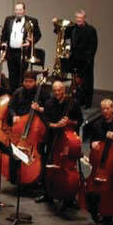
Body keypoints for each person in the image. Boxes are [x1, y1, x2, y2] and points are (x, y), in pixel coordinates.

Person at [83, 98, 113, 225]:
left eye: (107, 108)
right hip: (100, 166)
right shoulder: (97, 124)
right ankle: (99, 214)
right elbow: (92, 140)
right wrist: (93, 144)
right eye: (102, 109)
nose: (105, 111)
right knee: (91, 193)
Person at [39, 80, 83, 208]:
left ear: (64, 90)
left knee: (67, 167)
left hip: (67, 141)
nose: (57, 93)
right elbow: (45, 119)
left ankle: (69, 197)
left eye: (59, 90)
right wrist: (54, 125)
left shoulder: (73, 103)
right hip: (53, 139)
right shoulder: (49, 103)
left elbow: (79, 120)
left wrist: (70, 122)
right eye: (55, 90)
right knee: (49, 165)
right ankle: (48, 194)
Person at [0, 2, 42, 92]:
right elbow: (4, 34)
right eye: (17, 10)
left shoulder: (32, 21)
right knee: (12, 75)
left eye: (20, 10)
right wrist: (3, 43)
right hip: (11, 52)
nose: (18, 12)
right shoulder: (8, 19)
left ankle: (21, 95)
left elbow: (38, 35)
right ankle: (12, 95)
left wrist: (30, 43)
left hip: (23, 52)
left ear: (24, 10)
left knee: (22, 75)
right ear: (14, 11)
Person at [63, 9, 98, 108]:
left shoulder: (91, 30)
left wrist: (88, 60)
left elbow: (93, 47)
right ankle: (77, 102)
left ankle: (87, 104)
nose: (79, 20)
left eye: (81, 18)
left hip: (86, 61)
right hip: (75, 60)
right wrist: (55, 24)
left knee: (86, 83)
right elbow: (62, 33)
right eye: (77, 18)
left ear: (84, 18)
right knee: (76, 83)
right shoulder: (73, 28)